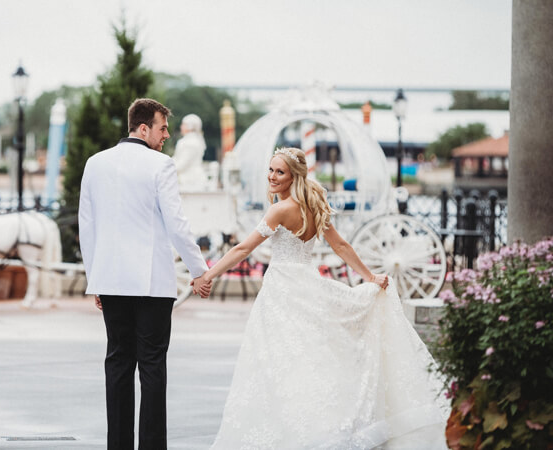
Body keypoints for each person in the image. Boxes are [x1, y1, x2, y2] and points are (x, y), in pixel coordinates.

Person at [196, 147, 449, 449]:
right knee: (308, 360)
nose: (272, 176)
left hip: (282, 293)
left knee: (279, 364)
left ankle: (292, 433)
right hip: (308, 285)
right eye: (271, 169)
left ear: (293, 176)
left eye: (280, 172)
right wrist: (369, 277)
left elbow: (242, 250)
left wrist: (208, 275)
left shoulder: (279, 210)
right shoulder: (314, 203)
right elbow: (340, 246)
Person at [79, 98, 212, 450]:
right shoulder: (160, 165)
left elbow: (86, 227)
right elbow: (178, 226)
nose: (167, 135)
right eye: (162, 128)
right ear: (143, 128)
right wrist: (200, 270)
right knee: (152, 367)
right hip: (152, 282)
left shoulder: (95, 163)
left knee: (118, 364)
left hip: (110, 280)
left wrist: (95, 278)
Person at [171, 113, 208, 191]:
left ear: (189, 126)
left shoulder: (188, 142)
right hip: (195, 178)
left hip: (189, 180)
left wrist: (168, 169)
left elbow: (182, 164)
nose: (181, 127)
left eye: (183, 124)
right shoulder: (197, 140)